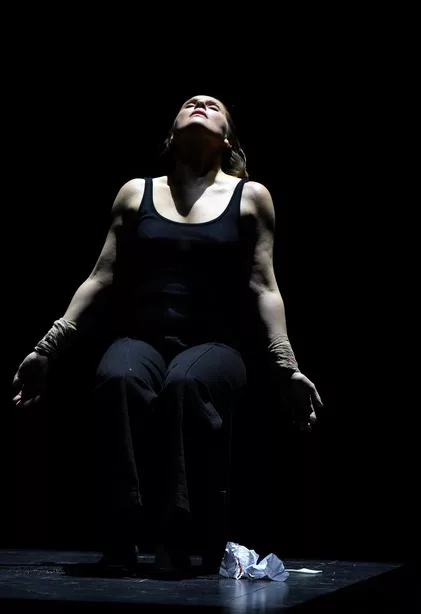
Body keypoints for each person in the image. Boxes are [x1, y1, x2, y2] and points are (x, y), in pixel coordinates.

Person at [12, 94, 323, 575]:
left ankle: (177, 536)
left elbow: (264, 286)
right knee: (118, 376)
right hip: (143, 338)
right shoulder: (135, 193)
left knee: (185, 383)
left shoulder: (251, 196)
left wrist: (287, 368)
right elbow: (100, 277)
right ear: (171, 133)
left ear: (227, 139)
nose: (200, 103)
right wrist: (46, 349)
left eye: (213, 105)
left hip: (216, 345)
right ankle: (121, 534)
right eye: (190, 102)